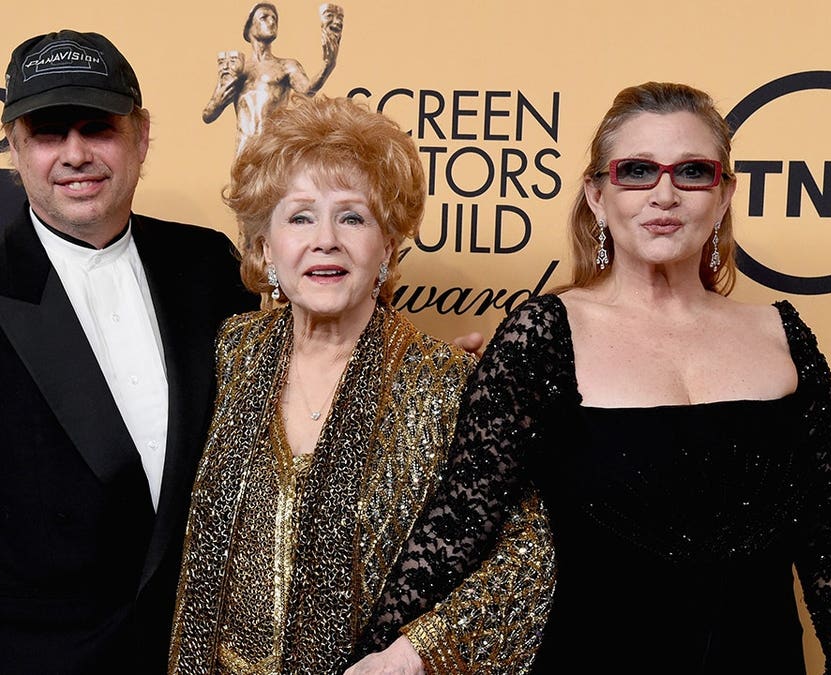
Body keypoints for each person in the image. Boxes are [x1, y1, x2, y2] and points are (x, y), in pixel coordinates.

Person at [348, 82, 831, 674]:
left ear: (725, 193)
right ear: (597, 196)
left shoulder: (783, 335)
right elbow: (457, 526)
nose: (665, 194)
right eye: (637, 171)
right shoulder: (543, 337)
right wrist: (378, 653)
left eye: (693, 172)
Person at [0, 29, 257, 674]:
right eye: (48, 133)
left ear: (141, 136)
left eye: (97, 128)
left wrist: (440, 374)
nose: (75, 154)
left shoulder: (207, 266)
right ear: (14, 149)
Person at [167, 94, 555, 674]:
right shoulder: (231, 352)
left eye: (352, 216)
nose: (326, 239)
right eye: (300, 216)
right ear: (266, 247)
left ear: (387, 246)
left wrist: (409, 657)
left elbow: (525, 564)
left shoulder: (446, 383)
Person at [202, 2, 343, 155]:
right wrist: (218, 99)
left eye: (274, 19)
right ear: (250, 27)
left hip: (272, 148)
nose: (271, 21)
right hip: (244, 149)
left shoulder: (286, 66)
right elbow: (208, 115)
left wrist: (327, 66)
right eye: (264, 17)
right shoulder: (239, 69)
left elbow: (307, 90)